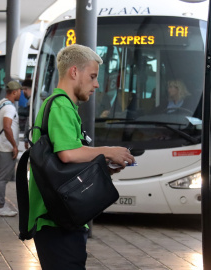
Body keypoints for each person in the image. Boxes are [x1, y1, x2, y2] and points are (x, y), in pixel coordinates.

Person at [29, 44, 135, 270]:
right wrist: (108, 150)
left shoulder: (61, 105)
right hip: (55, 218)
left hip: (59, 216)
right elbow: (68, 154)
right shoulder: (60, 105)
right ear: (74, 72)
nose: (96, 84)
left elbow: (68, 157)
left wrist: (103, 165)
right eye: (93, 76)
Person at [0, 81, 22, 217]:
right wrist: (14, 145)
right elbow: (7, 126)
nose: (21, 93)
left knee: (0, 177)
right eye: (19, 91)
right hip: (5, 148)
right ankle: (0, 206)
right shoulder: (9, 108)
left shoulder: (1, 103)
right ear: (14, 92)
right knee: (2, 178)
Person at [22, 78, 32, 149]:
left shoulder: (32, 102)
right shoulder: (32, 100)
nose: (23, 92)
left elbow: (29, 121)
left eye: (24, 89)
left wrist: (26, 138)